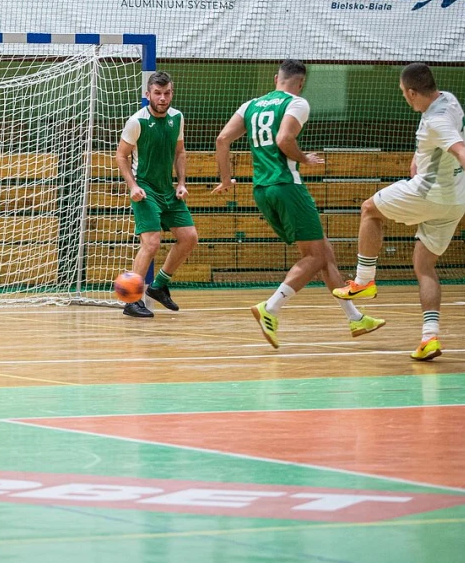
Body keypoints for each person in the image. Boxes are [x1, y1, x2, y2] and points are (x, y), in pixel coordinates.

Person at [212, 60, 383, 348]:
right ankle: (271, 308)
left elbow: (222, 139)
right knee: (315, 256)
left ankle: (355, 318)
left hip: (261, 189)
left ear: (276, 78)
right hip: (287, 186)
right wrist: (305, 159)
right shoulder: (297, 103)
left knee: (324, 252)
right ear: (301, 82)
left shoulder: (251, 105)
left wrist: (227, 180)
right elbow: (284, 138)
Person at [332, 63, 465, 361]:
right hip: (455, 200)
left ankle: (364, 280)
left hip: (430, 192)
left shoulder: (436, 120)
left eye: (403, 93)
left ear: (411, 92)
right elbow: (436, 145)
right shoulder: (448, 99)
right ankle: (429, 338)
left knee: (369, 209)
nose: (404, 98)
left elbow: (460, 149)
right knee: (424, 265)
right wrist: (418, 158)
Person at [116, 71, 199, 318]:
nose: (163, 98)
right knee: (151, 243)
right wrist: (133, 186)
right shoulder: (136, 122)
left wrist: (181, 183)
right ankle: (131, 300)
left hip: (168, 189)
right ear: (148, 94)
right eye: (158, 93)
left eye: (167, 93)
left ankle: (159, 285)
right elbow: (121, 155)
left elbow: (180, 152)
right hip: (145, 189)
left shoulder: (177, 118)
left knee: (189, 237)